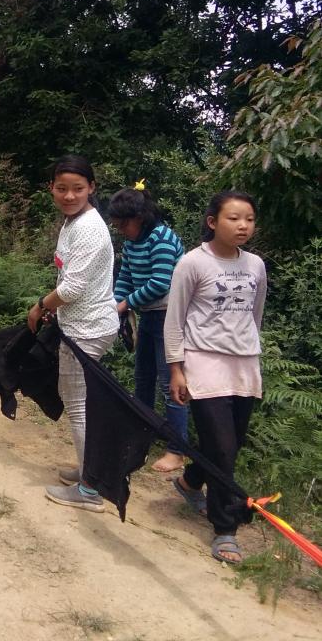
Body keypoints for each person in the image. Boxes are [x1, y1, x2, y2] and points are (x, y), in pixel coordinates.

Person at [166, 191, 266, 565]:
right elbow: (174, 319)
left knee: (231, 440)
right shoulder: (192, 263)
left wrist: (249, 351)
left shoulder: (255, 265)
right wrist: (176, 368)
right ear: (212, 222)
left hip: (243, 363)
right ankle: (225, 528)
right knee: (223, 446)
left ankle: (191, 481)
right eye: (233, 218)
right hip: (202, 362)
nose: (242, 226)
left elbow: (255, 315)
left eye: (249, 219)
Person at [27, 155, 118, 512]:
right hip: (80, 324)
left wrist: (41, 306)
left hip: (88, 329)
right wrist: (56, 308)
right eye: (61, 188)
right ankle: (87, 469)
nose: (68, 195)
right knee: (81, 404)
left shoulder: (89, 228)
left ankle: (91, 489)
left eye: (78, 189)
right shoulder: (73, 221)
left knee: (79, 407)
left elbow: (74, 286)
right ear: (51, 187)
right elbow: (70, 277)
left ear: (91, 188)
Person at [109, 184, 187, 473]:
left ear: (140, 217)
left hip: (171, 318)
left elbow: (160, 283)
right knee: (143, 378)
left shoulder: (162, 238)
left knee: (171, 385)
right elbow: (125, 277)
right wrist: (116, 303)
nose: (120, 229)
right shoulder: (132, 243)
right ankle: (140, 432)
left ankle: (177, 449)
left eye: (123, 224)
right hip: (150, 317)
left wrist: (125, 303)